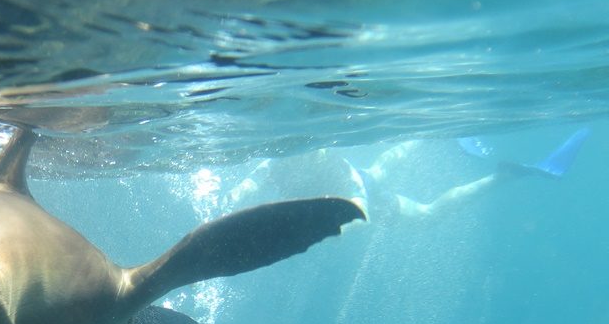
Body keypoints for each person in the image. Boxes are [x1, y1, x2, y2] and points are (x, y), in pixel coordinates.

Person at [226, 128, 589, 222]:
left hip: (363, 195)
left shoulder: (316, 161)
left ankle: (502, 177)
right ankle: (431, 131)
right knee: (385, 170)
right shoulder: (281, 161)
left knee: (427, 213)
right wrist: (231, 199)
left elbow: (356, 192)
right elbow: (249, 183)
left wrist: (355, 219)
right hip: (363, 183)